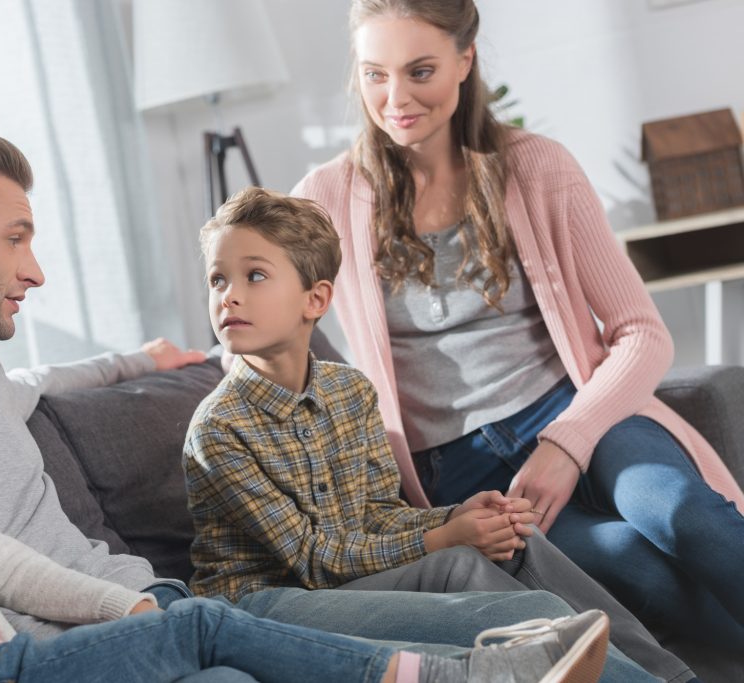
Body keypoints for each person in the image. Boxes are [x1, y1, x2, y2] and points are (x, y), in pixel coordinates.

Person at [0, 131, 648, 682]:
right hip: (88, 648)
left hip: (154, 600)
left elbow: (52, 380)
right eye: (16, 238)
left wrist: (149, 359)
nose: (36, 270)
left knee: (535, 623)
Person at [292, 0, 744, 650]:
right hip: (461, 472)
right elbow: (261, 306)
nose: (396, 98)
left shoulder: (536, 167)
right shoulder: (324, 198)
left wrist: (566, 443)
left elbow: (642, 332)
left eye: (420, 71)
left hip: (579, 413)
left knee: (678, 513)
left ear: (465, 59)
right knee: (630, 562)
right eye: (375, 74)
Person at [184, 186, 688, 683]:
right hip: (265, 604)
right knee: (459, 567)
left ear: (315, 299)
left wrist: (459, 516)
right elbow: (314, 561)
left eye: (254, 275)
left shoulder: (350, 391)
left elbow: (376, 514)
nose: (229, 295)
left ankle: (675, 677)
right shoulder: (218, 429)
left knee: (518, 538)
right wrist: (442, 538)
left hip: (341, 579)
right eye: (217, 279)